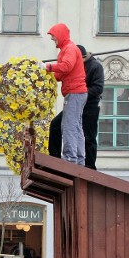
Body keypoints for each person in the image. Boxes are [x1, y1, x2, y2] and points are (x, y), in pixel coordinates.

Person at [49, 45, 105, 170]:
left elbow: (98, 88)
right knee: (56, 125)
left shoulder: (95, 66)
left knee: (89, 136)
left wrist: (81, 92)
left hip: (89, 105)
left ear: (82, 57)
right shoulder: (75, 64)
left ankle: (90, 167)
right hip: (75, 102)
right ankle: (54, 158)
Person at [44, 23, 88, 165]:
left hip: (74, 92)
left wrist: (47, 67)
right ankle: (80, 159)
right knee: (76, 126)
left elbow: (66, 66)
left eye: (54, 37)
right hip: (78, 92)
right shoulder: (68, 49)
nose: (53, 40)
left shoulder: (69, 49)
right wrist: (48, 75)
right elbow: (61, 74)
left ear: (61, 35)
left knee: (68, 125)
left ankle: (70, 159)